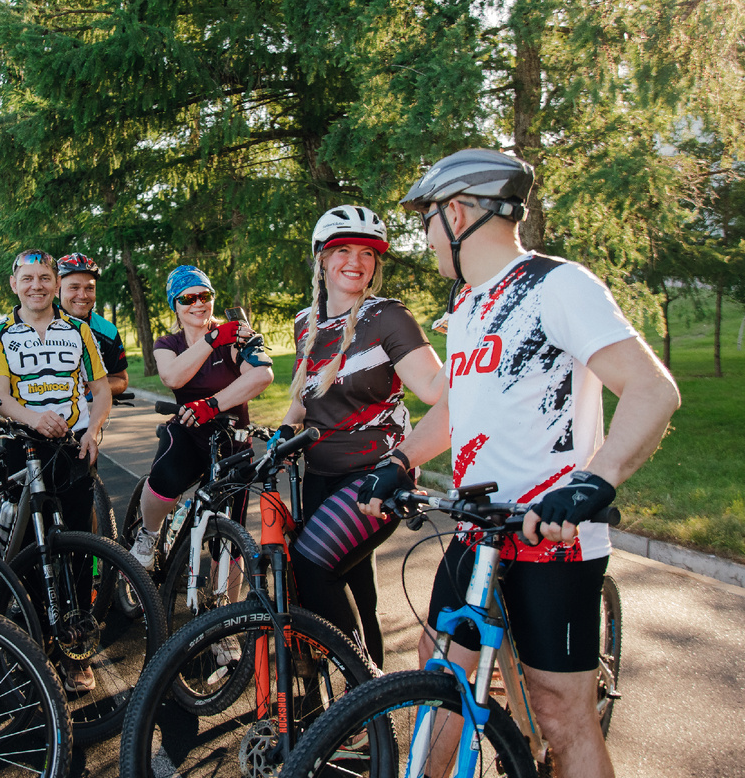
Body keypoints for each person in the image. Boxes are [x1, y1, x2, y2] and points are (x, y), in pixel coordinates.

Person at [358, 148, 681, 778]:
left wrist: (594, 481)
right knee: (440, 678)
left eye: (428, 221)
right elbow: (459, 406)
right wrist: (401, 459)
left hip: (552, 539)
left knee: (561, 715)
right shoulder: (468, 305)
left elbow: (652, 390)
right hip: (479, 531)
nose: (427, 237)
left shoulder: (557, 285)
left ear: (456, 214)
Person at [280, 205, 444, 669]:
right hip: (319, 475)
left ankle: (360, 689)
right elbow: (305, 397)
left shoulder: (387, 317)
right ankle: (373, 689)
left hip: (376, 476)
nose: (356, 261)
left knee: (311, 566)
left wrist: (472, 341)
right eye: (343, 250)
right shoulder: (305, 322)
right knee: (356, 588)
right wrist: (283, 430)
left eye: (367, 253)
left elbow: (436, 389)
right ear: (321, 259)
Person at [0, 249, 112, 692]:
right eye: (27, 278)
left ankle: (78, 649)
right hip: (22, 448)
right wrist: (33, 419)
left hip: (72, 448)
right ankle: (36, 645)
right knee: (29, 553)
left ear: (56, 284)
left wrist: (94, 430)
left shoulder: (79, 330)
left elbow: (100, 390)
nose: (36, 285)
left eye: (44, 278)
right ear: (14, 284)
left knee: (79, 549)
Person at [129, 265, 274, 572]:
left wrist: (212, 405)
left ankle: (227, 599)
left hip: (232, 439)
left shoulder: (234, 336)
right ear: (175, 306)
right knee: (166, 477)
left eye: (204, 296)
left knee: (230, 538)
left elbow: (262, 375)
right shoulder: (168, 344)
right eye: (187, 299)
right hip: (189, 432)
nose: (198, 303)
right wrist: (212, 340)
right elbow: (172, 377)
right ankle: (148, 533)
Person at [56, 253, 130, 398]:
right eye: (74, 287)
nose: (83, 295)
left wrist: (93, 387)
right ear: (56, 290)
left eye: (89, 288)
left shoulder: (107, 331)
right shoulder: (39, 326)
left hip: (92, 409)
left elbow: (121, 379)